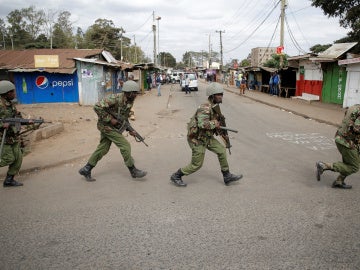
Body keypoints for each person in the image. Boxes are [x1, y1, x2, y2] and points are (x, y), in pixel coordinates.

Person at [170, 82, 243, 187]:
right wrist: (215, 124)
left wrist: (223, 134)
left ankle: (227, 176)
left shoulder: (215, 107)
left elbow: (216, 124)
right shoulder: (205, 107)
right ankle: (176, 175)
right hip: (196, 139)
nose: (221, 96)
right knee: (196, 165)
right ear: (212, 95)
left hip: (207, 137)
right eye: (218, 94)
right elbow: (202, 124)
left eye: (221, 94)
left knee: (221, 151)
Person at [79, 80, 147, 182]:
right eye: (135, 93)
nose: (136, 95)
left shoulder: (129, 102)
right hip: (106, 126)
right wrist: (110, 119)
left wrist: (130, 130)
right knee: (125, 145)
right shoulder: (114, 99)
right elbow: (97, 106)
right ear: (129, 93)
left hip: (113, 127)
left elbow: (123, 118)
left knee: (103, 148)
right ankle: (133, 170)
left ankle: (86, 168)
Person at [316, 104, 360, 189]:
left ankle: (339, 181)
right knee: (354, 166)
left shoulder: (355, 107)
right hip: (347, 142)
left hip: (341, 138)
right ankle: (324, 166)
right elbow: (357, 128)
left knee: (351, 162)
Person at [0, 81, 30, 187]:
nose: (14, 94)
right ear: (6, 92)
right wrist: (2, 124)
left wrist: (26, 121)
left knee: (18, 158)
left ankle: (9, 180)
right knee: (8, 158)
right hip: (2, 137)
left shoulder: (10, 104)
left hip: (12, 136)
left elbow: (16, 117)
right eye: (12, 92)